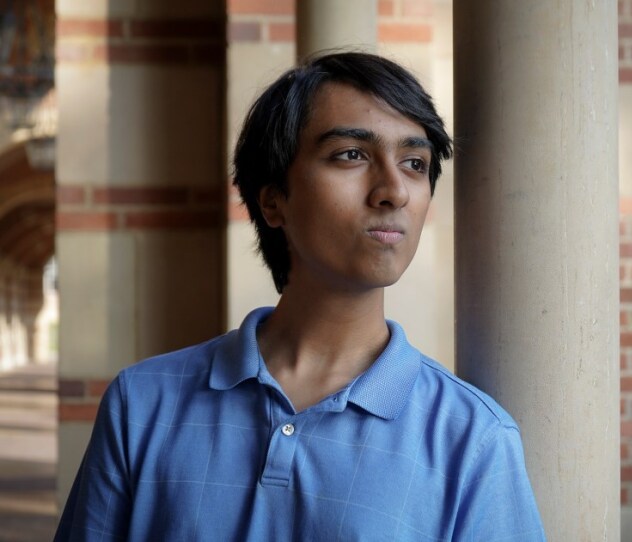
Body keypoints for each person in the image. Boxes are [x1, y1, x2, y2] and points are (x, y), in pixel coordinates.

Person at [55, 52, 545, 541]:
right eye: (351, 154)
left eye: (414, 164)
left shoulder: (471, 439)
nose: (394, 191)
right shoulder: (141, 405)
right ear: (273, 201)